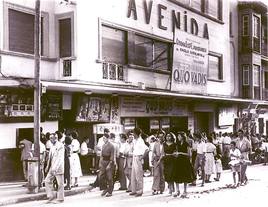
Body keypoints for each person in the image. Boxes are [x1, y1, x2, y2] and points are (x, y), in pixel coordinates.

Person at [173, 132, 195, 198]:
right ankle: (177, 190)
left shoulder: (186, 144)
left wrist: (180, 153)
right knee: (177, 176)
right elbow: (176, 151)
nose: (178, 137)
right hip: (178, 161)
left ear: (182, 137)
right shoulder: (177, 144)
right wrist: (175, 154)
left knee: (185, 176)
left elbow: (189, 154)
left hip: (185, 161)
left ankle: (185, 191)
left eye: (179, 136)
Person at [45, 133, 65, 204]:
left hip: (58, 167)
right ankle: (51, 196)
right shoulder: (52, 146)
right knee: (47, 181)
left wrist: (55, 168)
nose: (50, 140)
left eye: (51, 138)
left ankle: (60, 198)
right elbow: (50, 158)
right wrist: (47, 166)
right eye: (50, 138)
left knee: (60, 183)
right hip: (52, 167)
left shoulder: (60, 146)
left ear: (55, 138)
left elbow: (59, 158)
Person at [129, 127, 149, 197]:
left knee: (138, 176)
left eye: (134, 133)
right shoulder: (135, 141)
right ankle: (134, 190)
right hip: (134, 157)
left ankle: (140, 191)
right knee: (133, 175)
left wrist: (142, 157)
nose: (133, 134)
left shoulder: (141, 141)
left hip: (138, 158)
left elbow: (147, 149)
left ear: (137, 134)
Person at [151, 130, 165, 195]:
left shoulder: (165, 144)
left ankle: (162, 188)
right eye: (159, 136)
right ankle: (155, 189)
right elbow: (153, 152)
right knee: (156, 174)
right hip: (156, 160)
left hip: (163, 160)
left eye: (162, 136)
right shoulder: (156, 143)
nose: (160, 138)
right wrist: (152, 159)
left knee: (162, 174)